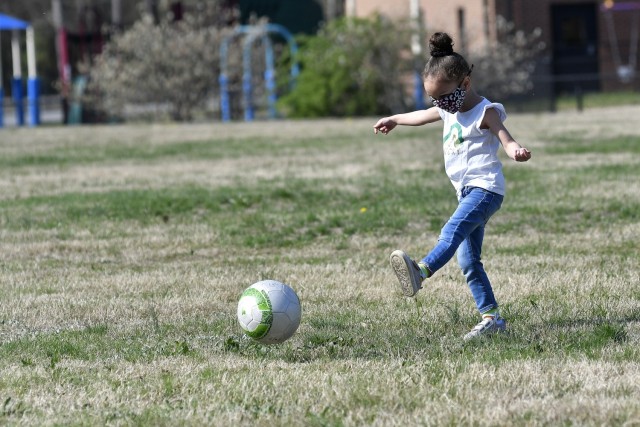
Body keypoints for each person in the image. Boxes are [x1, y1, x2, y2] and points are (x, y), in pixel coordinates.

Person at [373, 32, 531, 341]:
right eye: (436, 99)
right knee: (469, 261)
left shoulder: (484, 112)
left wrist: (516, 151)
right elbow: (422, 115)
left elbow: (505, 137)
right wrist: (394, 118)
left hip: (486, 190)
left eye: (445, 97)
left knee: (451, 232)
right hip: (466, 192)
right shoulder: (447, 108)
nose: (441, 104)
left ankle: (421, 272)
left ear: (466, 85)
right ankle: (492, 318)